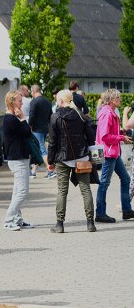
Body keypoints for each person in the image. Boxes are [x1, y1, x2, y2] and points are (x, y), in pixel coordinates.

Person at [46, 90, 97, 233]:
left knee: (62, 191)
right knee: (86, 190)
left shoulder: (55, 116)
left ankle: (59, 224)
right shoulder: (80, 115)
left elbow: (52, 142)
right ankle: (90, 223)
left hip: (62, 159)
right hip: (82, 157)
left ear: (61, 101)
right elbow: (91, 137)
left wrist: (50, 161)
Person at [94, 89, 134, 223]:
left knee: (126, 179)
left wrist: (121, 133)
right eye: (118, 97)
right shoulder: (107, 113)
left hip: (113, 153)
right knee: (104, 183)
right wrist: (121, 138)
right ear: (111, 99)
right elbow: (105, 136)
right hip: (108, 153)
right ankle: (100, 213)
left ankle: (127, 210)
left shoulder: (110, 112)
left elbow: (109, 132)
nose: (120, 99)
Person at [2, 90, 33, 231]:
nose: (21, 103)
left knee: (17, 191)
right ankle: (9, 219)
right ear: (12, 102)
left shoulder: (11, 118)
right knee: (22, 192)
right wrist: (23, 118)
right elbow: (27, 131)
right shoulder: (11, 119)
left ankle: (17, 219)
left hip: (18, 157)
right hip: (17, 158)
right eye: (20, 101)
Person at [29, 85, 54, 179]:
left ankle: (50, 170)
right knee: (38, 149)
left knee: (41, 149)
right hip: (45, 128)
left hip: (36, 129)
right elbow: (51, 115)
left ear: (34, 91)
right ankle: (33, 171)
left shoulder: (34, 101)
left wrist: (29, 126)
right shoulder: (47, 101)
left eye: (31, 92)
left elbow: (31, 115)